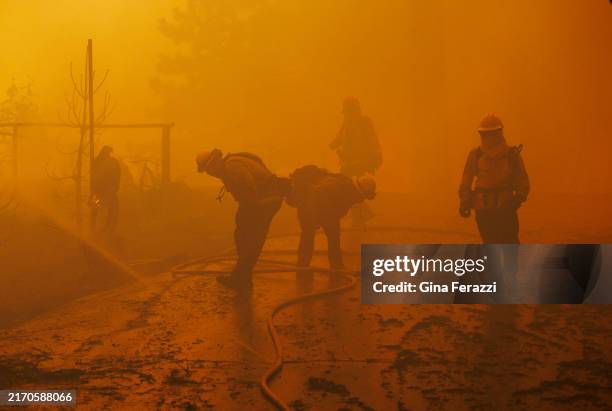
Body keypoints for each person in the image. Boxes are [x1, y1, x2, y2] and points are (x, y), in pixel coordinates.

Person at [196, 149, 287, 292]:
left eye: (208, 170)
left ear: (213, 163)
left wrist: (251, 208)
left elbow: (248, 185)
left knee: (249, 238)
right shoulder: (230, 165)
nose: (209, 174)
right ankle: (242, 277)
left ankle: (241, 278)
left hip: (263, 202)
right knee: (245, 236)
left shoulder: (232, 166)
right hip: (264, 201)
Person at [458, 114, 530, 296]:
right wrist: (464, 202)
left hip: (506, 208)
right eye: (484, 135)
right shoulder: (476, 155)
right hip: (484, 209)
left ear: (499, 134)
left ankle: (510, 279)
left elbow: (523, 182)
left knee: (510, 245)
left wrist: (517, 199)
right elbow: (466, 180)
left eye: (490, 134)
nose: (487, 139)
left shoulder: (511, 156)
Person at [286, 165, 376, 272]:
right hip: (307, 207)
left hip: (325, 212)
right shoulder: (339, 187)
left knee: (333, 236)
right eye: (363, 196)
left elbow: (332, 206)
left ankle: (336, 266)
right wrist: (314, 218)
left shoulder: (346, 188)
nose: (360, 200)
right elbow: (315, 195)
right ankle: (302, 267)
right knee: (308, 235)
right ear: (359, 190)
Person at [330, 97, 382, 228]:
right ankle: (361, 217)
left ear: (355, 110)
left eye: (349, 111)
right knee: (349, 189)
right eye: (346, 112)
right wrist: (333, 144)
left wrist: (375, 154)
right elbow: (339, 137)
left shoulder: (364, 122)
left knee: (354, 189)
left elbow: (372, 138)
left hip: (360, 162)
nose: (347, 114)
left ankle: (359, 218)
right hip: (347, 162)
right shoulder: (346, 123)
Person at [91, 145, 121, 235]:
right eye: (109, 152)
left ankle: (105, 229)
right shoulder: (112, 162)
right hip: (106, 191)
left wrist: (94, 189)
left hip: (103, 191)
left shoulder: (98, 161)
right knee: (110, 208)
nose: (109, 154)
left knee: (100, 208)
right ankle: (105, 229)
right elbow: (117, 176)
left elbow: (117, 176)